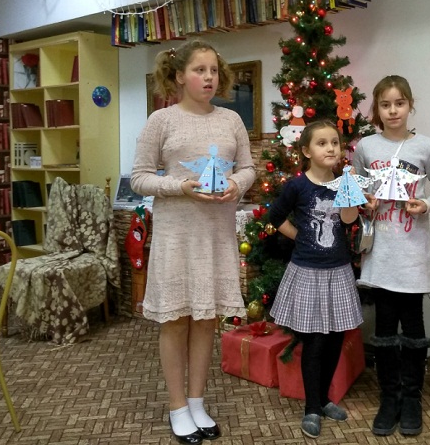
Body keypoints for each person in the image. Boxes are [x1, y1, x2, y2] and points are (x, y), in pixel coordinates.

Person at [131, 40, 256, 444]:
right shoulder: (161, 120)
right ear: (180, 76)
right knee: (175, 322)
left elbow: (248, 168)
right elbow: (139, 178)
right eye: (199, 70)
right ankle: (177, 407)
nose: (208, 77)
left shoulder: (231, 120)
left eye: (213, 70)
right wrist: (179, 186)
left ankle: (198, 402)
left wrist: (236, 183)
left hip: (216, 236)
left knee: (205, 320)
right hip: (176, 237)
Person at [352, 75, 430, 437]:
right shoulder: (366, 146)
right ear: (376, 109)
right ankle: (389, 398)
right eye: (385, 104)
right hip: (380, 254)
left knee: (413, 330)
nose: (393, 110)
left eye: (399, 103)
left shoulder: (425, 146)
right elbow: (356, 187)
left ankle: (412, 398)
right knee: (383, 330)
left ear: (410, 105)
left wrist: (425, 204)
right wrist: (365, 201)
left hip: (412, 256)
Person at [267, 119, 364, 439]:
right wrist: (300, 237)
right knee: (315, 341)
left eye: (335, 142)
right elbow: (275, 216)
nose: (331, 148)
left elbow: (348, 220)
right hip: (308, 271)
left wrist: (349, 192)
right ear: (307, 151)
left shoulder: (342, 183)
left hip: (338, 271)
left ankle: (323, 400)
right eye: (322, 143)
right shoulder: (297, 186)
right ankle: (311, 407)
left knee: (336, 337)